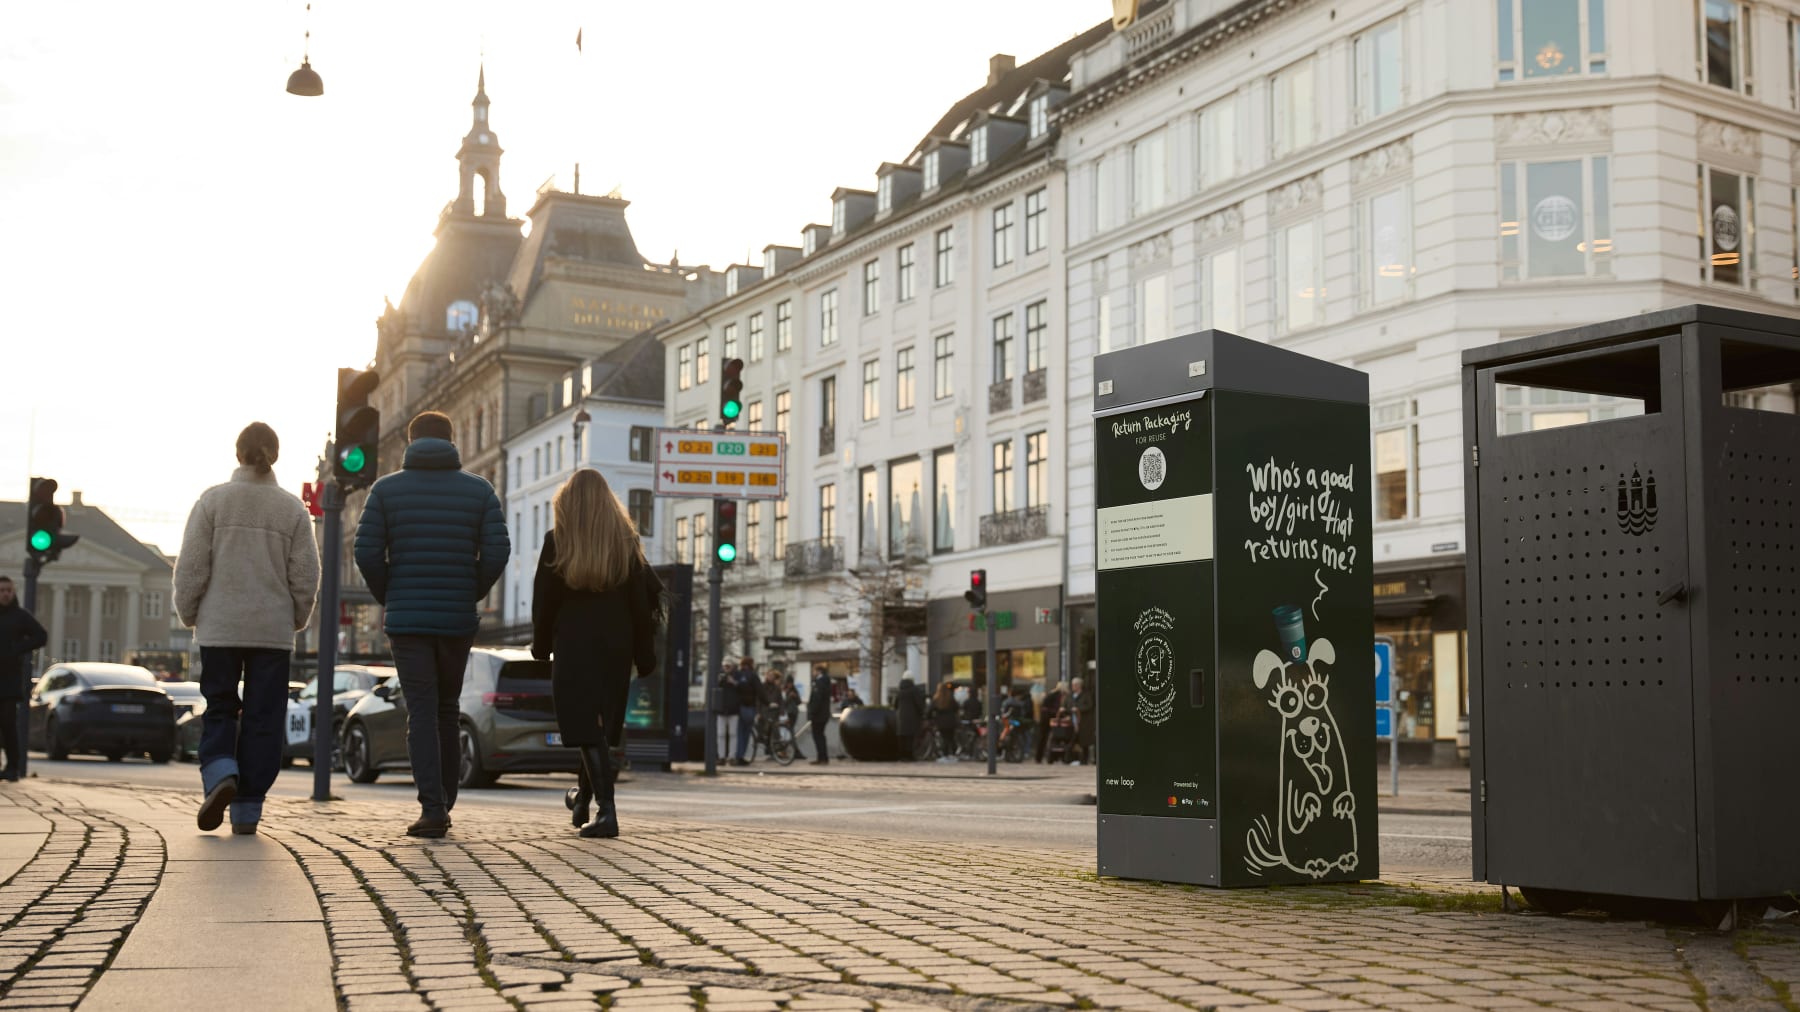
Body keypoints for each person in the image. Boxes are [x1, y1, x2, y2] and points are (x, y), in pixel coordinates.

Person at [354, 410, 509, 838]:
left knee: (420, 710)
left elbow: (366, 553)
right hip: (457, 618)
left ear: (410, 441)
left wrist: (392, 594)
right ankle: (446, 797)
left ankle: (433, 807)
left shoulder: (385, 491)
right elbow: (497, 551)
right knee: (446, 707)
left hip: (407, 621)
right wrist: (469, 589)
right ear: (451, 440)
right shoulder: (479, 491)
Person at [173, 422, 320, 833]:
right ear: (275, 455)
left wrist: (191, 614)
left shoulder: (212, 502)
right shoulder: (291, 509)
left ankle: (221, 773)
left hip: (220, 626)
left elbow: (191, 569)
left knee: (220, 706)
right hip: (272, 632)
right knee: (264, 717)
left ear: (237, 454)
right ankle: (248, 810)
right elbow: (306, 575)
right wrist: (295, 619)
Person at [530, 468, 663, 839]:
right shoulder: (626, 542)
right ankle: (583, 801)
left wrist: (540, 646)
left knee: (584, 726)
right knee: (597, 728)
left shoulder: (557, 541)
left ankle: (607, 810)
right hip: (616, 647)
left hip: (574, 646)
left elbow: (545, 602)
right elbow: (641, 605)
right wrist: (644, 653)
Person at [0, 575, 49, 782]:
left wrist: (18, 648)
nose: (5, 594)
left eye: (8, 590)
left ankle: (12, 766)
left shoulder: (20, 616)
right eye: (1, 590)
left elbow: (41, 636)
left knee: (7, 723)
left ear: (14, 592)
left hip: (10, 679)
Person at [728, 658, 758, 766]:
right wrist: (768, 703)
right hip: (749, 707)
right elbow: (759, 690)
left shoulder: (738, 674)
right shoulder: (752, 675)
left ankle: (736, 756)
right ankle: (740, 756)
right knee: (745, 733)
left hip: (738, 708)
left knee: (739, 733)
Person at [892, 674, 925, 762]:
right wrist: (922, 713)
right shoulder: (914, 690)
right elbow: (919, 704)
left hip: (901, 717)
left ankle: (902, 756)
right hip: (912, 717)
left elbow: (895, 704)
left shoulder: (899, 690)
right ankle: (910, 756)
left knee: (902, 737)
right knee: (911, 737)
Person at [1035, 682, 1066, 764]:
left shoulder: (1052, 694)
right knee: (1046, 737)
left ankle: (1040, 757)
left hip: (1046, 718)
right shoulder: (1056, 695)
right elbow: (1053, 708)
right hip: (1048, 719)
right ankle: (1043, 757)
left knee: (1043, 738)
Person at [710, 665, 736, 762]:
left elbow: (741, 688)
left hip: (733, 710)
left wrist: (734, 682)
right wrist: (721, 679)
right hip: (721, 709)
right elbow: (715, 687)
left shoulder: (736, 675)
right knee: (721, 734)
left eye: (729, 666)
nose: (727, 668)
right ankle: (721, 756)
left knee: (733, 734)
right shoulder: (719, 675)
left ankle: (731, 756)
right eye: (726, 666)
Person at [806, 667, 832, 765]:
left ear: (819, 671)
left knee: (818, 736)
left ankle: (821, 758)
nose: (813, 673)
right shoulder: (826, 682)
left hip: (819, 715)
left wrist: (812, 712)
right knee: (820, 735)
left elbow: (817, 699)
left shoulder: (819, 683)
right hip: (823, 714)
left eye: (814, 671)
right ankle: (823, 757)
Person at [929, 681, 959, 762]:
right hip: (951, 721)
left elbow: (930, 710)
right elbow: (957, 707)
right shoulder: (950, 698)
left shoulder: (936, 699)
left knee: (944, 738)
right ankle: (952, 754)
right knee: (951, 738)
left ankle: (945, 755)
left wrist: (930, 717)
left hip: (941, 722)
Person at [1070, 677, 1096, 765]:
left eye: (1074, 685)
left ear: (1079, 685)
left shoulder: (1086, 695)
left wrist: (1078, 709)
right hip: (1072, 722)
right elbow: (1066, 705)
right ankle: (1070, 759)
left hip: (1083, 722)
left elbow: (1090, 706)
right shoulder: (1071, 696)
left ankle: (1084, 760)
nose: (1072, 687)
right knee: (1072, 741)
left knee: (1084, 742)